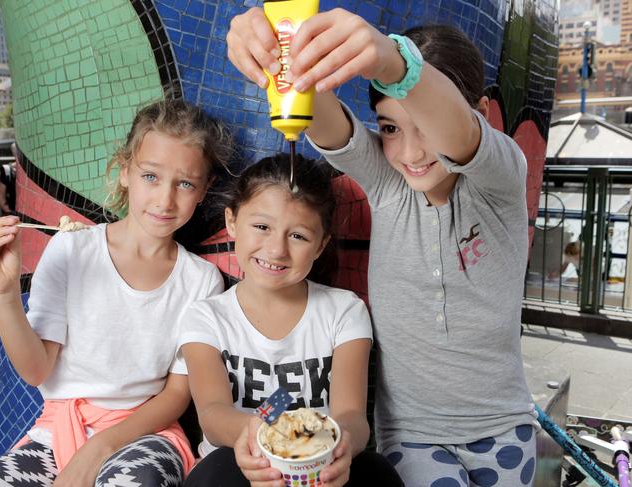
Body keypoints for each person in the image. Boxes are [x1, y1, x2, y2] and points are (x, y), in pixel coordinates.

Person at [227, 8, 537, 486]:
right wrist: (277, 53)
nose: (410, 154)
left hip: (504, 430)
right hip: (414, 436)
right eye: (390, 128)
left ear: (480, 112)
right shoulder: (390, 186)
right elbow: (325, 118)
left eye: (425, 128)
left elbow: (459, 135)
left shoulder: (500, 178)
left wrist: (395, 65)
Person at [0, 98, 232, 487]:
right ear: (124, 171)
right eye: (151, 176)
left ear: (204, 190)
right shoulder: (71, 250)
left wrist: (99, 450)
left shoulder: (200, 280)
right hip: (58, 432)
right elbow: (36, 370)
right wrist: (4, 294)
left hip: (144, 436)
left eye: (184, 183)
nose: (165, 200)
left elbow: (176, 395)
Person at [179, 154, 404, 487]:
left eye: (298, 236)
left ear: (320, 245)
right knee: (216, 470)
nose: (276, 250)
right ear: (231, 221)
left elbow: (352, 415)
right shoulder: (205, 317)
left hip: (319, 465)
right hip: (242, 463)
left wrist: (340, 447)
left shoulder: (344, 311)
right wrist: (254, 434)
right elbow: (212, 414)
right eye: (261, 227)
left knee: (375, 471)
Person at [0, 143, 18, 215]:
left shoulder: (30, 170)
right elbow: (1, 195)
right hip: (12, 212)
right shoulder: (7, 170)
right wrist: (9, 211)